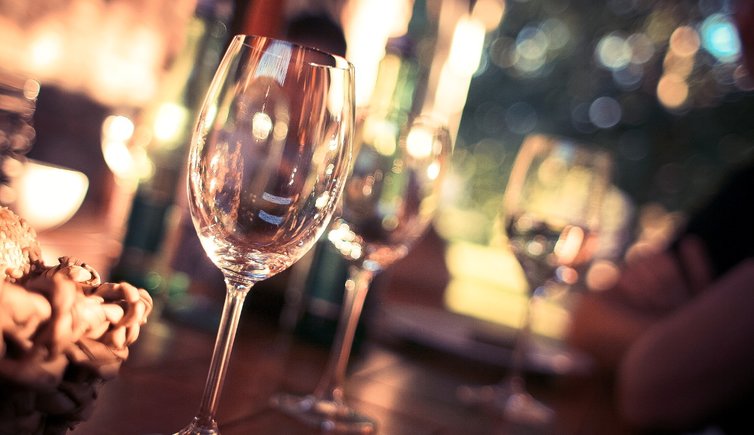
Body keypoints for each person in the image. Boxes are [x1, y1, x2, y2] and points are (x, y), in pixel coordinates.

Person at [566, 3, 754, 433]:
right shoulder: (745, 194)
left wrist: (686, 340)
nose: (739, 19)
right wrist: (693, 344)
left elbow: (651, 384)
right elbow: (587, 318)